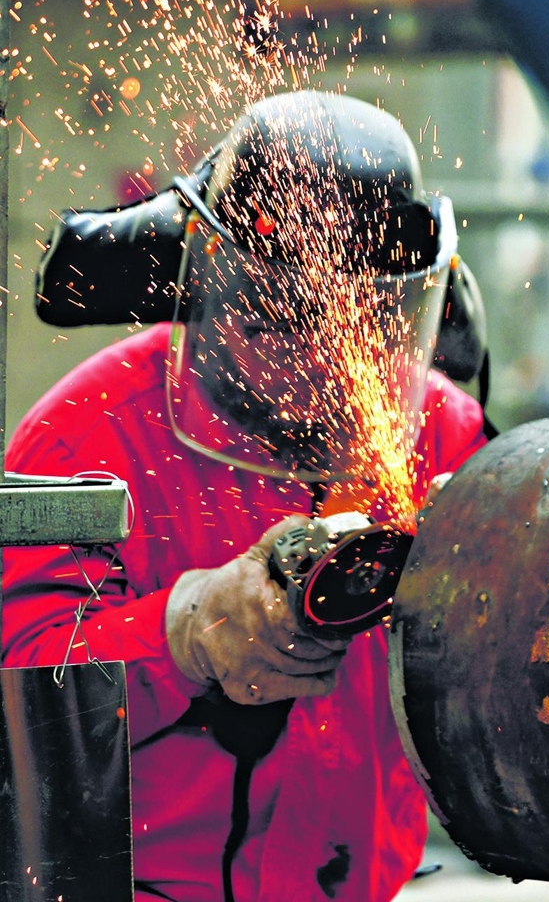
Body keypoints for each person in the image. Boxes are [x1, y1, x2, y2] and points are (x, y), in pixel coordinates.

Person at [1, 91, 488, 902]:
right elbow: (18, 692)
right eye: (278, 326)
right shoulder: (87, 437)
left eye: (354, 326)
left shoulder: (444, 433)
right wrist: (183, 633)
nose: (321, 365)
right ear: (211, 289)